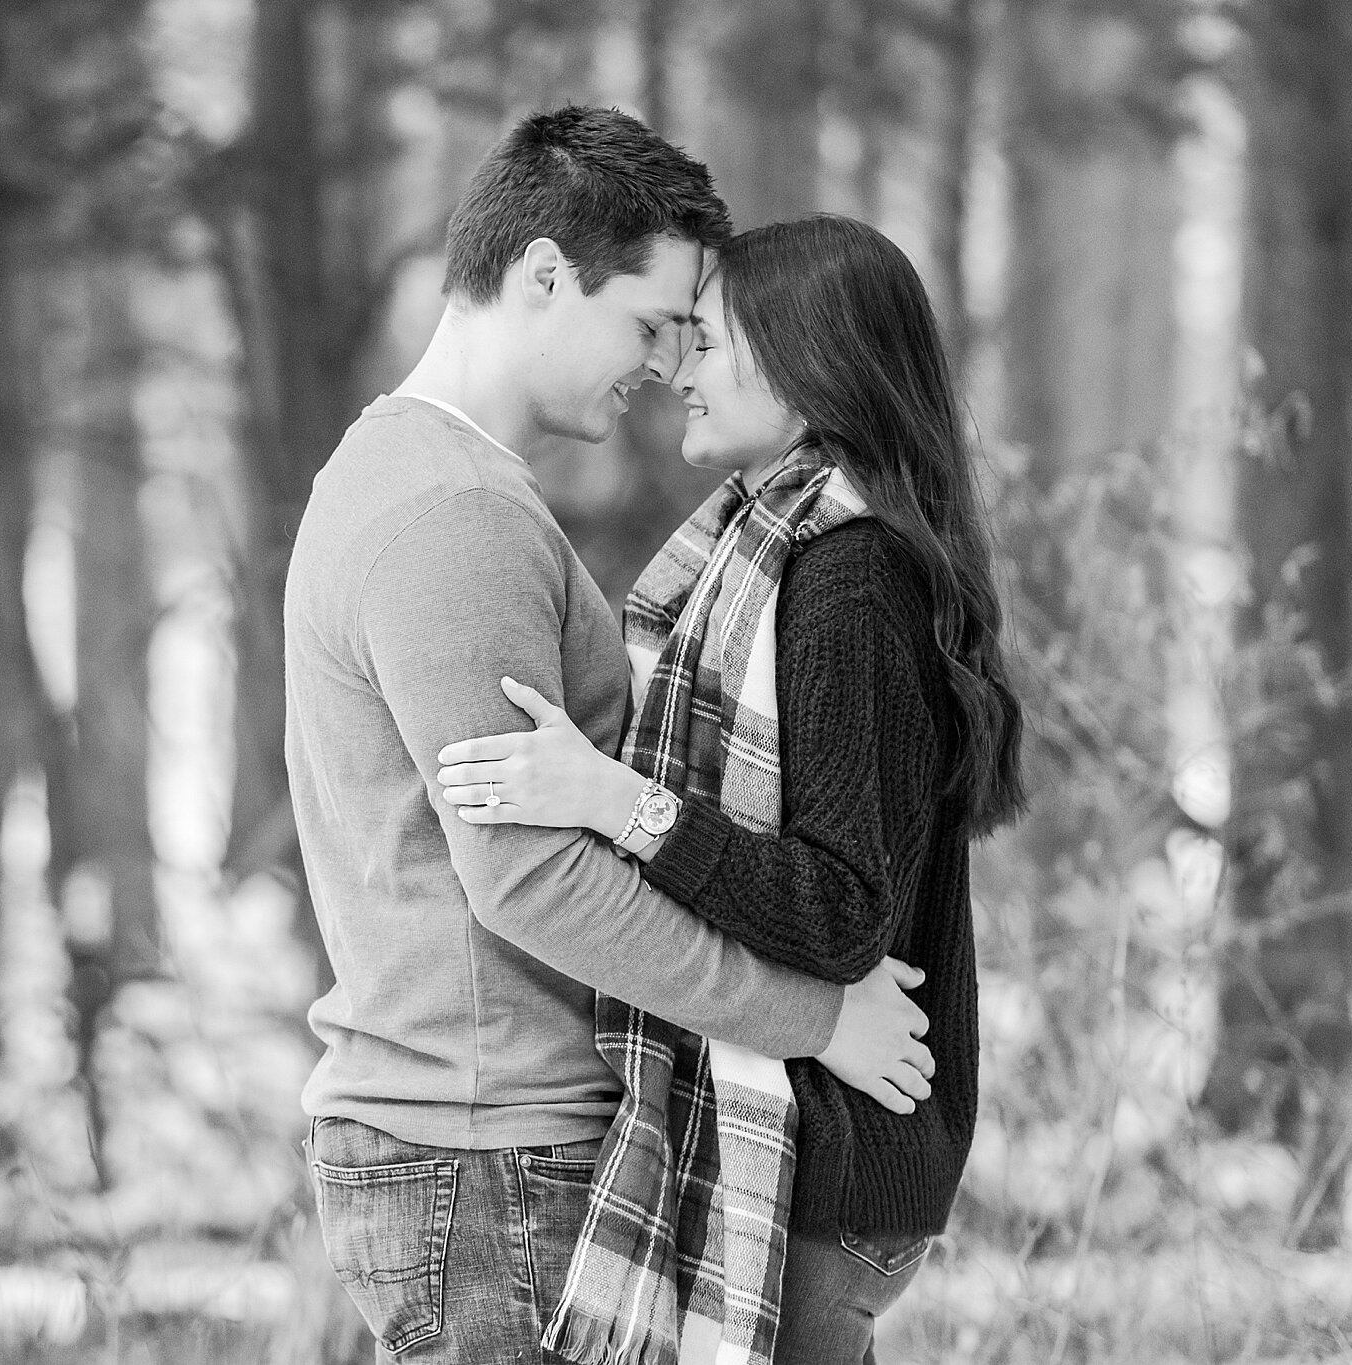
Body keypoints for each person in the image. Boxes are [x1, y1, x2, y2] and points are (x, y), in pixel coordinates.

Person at [285, 111, 938, 1364]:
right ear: (541, 275)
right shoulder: (452, 520)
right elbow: (531, 876)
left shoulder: (419, 481)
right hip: (488, 1152)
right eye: (649, 323)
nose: (662, 363)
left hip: (479, 1139)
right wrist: (809, 1016)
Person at [434, 215, 1026, 1362]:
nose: (676, 373)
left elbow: (837, 908)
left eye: (707, 344)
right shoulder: (762, 553)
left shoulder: (847, 581)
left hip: (830, 1165)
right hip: (819, 1143)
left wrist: (614, 801)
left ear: (808, 369)